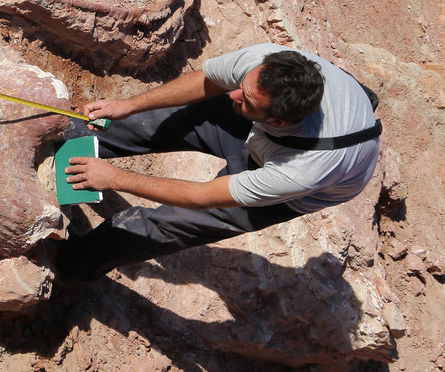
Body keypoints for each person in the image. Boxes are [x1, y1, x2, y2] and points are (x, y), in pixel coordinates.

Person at [55, 43, 382, 282]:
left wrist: (113, 178)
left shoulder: (303, 171)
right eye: (242, 86)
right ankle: (62, 138)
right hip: (269, 128)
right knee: (164, 119)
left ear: (278, 121)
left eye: (247, 99)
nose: (233, 96)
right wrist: (128, 105)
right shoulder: (263, 65)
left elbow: (201, 197)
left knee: (170, 223)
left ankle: (66, 265)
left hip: (296, 175)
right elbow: (207, 81)